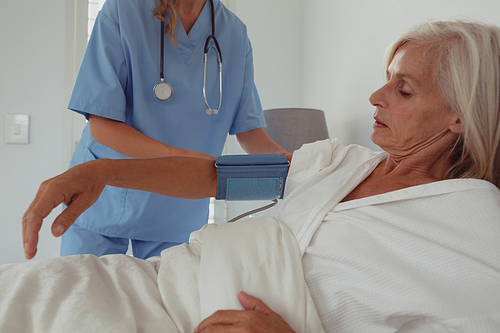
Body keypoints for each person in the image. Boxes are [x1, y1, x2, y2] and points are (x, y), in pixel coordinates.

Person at [9, 19, 500, 332]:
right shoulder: (342, 161)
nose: (375, 96)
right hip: (159, 287)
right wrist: (101, 171)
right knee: (27, 290)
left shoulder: (474, 223)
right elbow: (217, 176)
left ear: (460, 114)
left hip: (188, 319)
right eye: (386, 78)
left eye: (404, 89)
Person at [64, 0, 286, 259]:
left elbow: (249, 133)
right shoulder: (123, 10)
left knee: (166, 298)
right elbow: (101, 125)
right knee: (86, 296)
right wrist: (177, 159)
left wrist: (301, 168)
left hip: (176, 208)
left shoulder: (234, 33)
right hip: (105, 198)